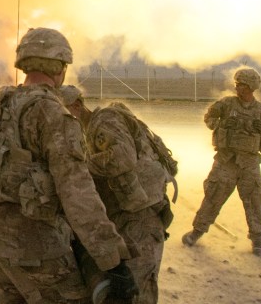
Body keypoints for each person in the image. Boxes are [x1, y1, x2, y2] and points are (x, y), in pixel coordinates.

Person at [0, 28, 138, 303]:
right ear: (60, 68)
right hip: (34, 245)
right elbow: (78, 193)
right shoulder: (52, 113)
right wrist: (112, 259)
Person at [61, 85, 176, 304]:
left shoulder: (103, 121)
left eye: (62, 113)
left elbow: (122, 158)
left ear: (76, 106)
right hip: (123, 217)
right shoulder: (85, 135)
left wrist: (77, 165)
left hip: (141, 219)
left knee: (139, 292)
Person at [182, 66, 261, 256]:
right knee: (213, 196)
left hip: (249, 165)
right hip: (226, 161)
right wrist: (221, 125)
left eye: (242, 85)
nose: (238, 88)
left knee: (254, 200)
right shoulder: (226, 104)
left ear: (251, 87)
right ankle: (197, 232)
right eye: (237, 84)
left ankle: (258, 241)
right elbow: (209, 117)